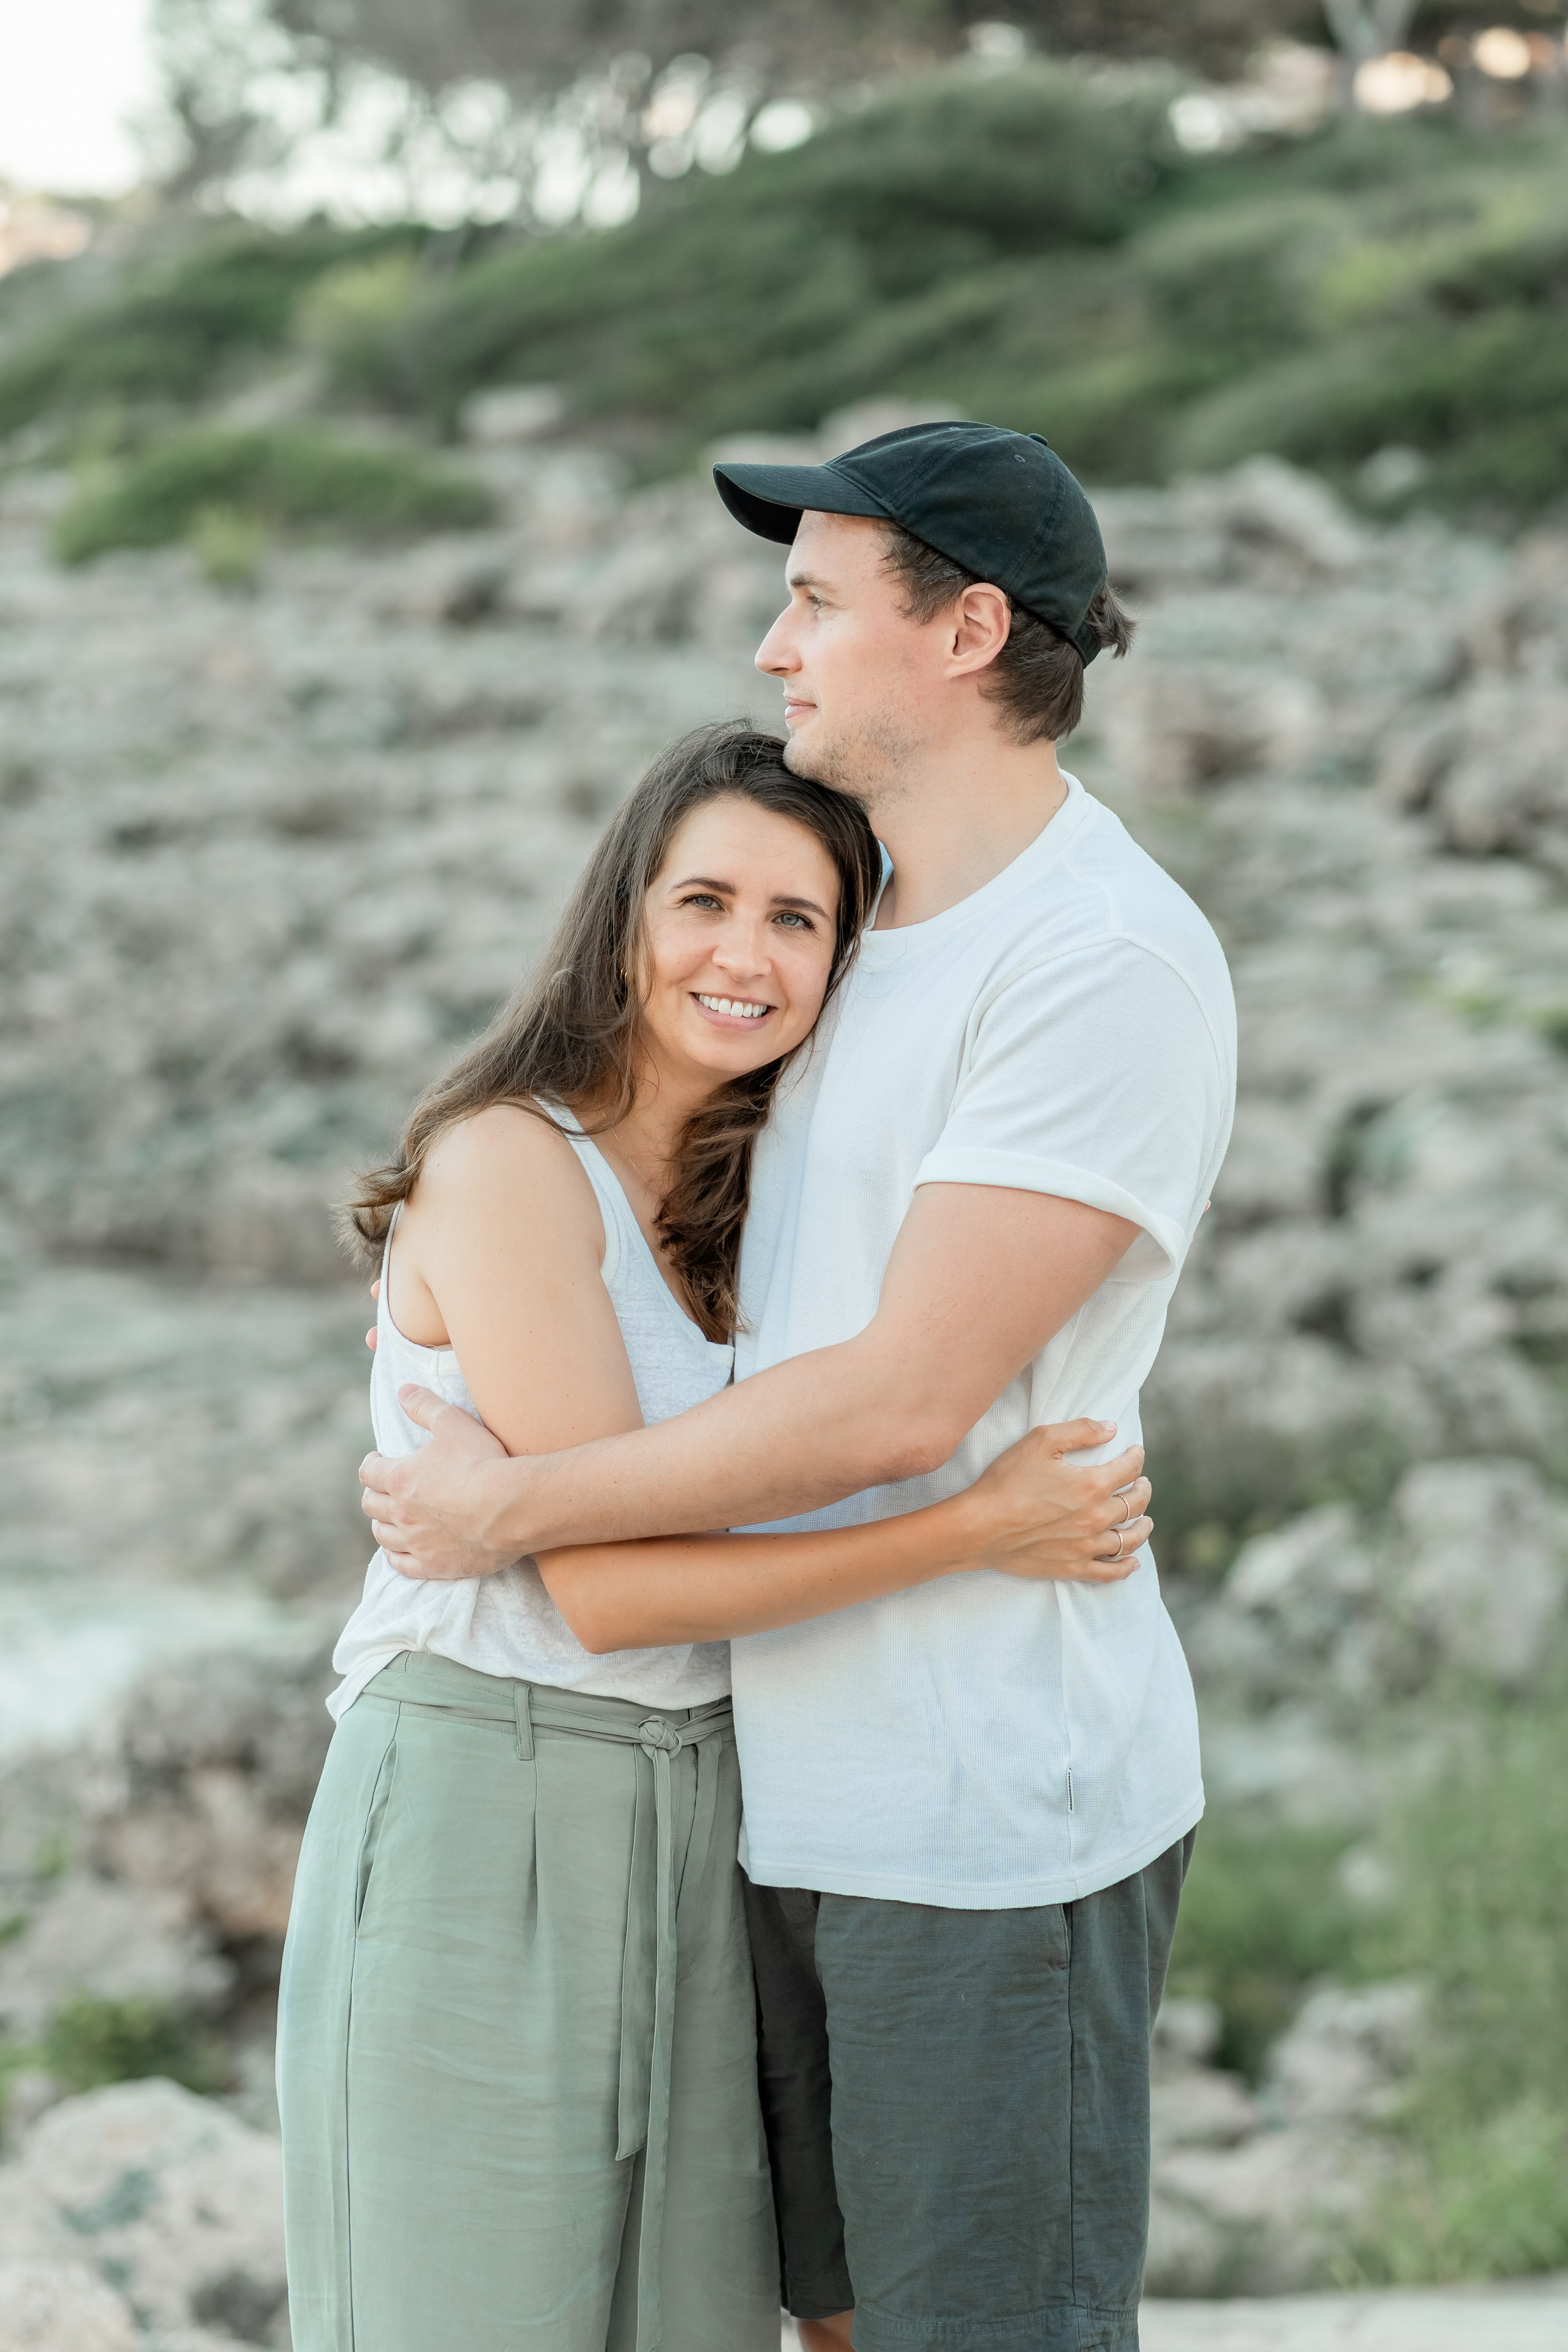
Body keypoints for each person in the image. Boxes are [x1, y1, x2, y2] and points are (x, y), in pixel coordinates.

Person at [359, 421, 1237, 2351]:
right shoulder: (862, 934)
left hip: (989, 1819)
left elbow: (904, 1395)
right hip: (767, 1804)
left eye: (819, 602)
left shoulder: (1099, 961)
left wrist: (512, 1511)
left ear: (969, 630)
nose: (776, 647)